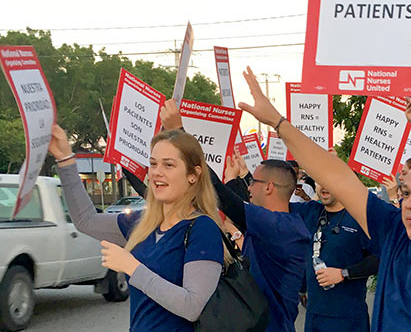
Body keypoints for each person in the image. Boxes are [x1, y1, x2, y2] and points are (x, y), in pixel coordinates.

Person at [237, 65, 411, 331]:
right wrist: (278, 122)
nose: (410, 202)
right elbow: (339, 177)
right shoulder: (395, 231)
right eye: (406, 193)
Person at [50, 124, 226, 332]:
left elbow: (192, 306)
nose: (157, 173)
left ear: (193, 175)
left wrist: (131, 267)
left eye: (168, 165)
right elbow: (85, 220)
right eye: (153, 164)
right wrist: (65, 160)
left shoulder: (202, 228)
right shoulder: (141, 223)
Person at [159, 106, 311, 332]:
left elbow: (225, 197)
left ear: (269, 187)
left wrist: (179, 133)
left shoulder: (278, 227)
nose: (249, 186)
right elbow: (237, 201)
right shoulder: (282, 221)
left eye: (253, 181)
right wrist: (234, 180)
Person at [290, 178, 380, 332]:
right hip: (314, 315)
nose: (324, 185)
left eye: (328, 180)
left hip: (347, 318)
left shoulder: (360, 218)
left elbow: (379, 259)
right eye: (319, 180)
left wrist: (343, 273)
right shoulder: (311, 211)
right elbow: (272, 203)